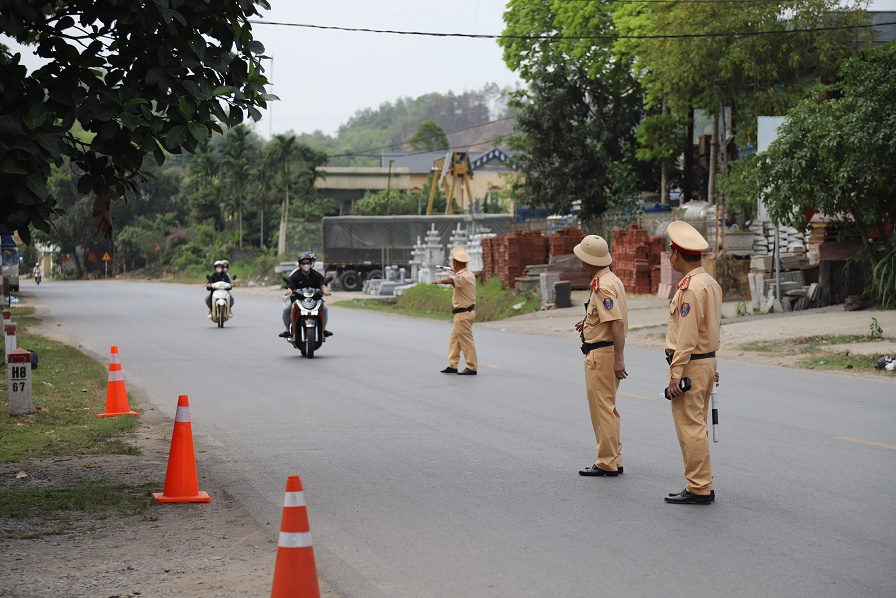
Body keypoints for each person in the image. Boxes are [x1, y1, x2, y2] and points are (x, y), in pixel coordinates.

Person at [663, 220, 722, 505]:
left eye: (669, 252)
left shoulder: (690, 289)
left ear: (676, 253)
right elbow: (710, 329)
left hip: (691, 363)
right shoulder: (709, 283)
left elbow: (686, 336)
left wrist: (676, 371)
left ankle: (699, 486)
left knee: (690, 426)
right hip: (706, 361)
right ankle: (702, 483)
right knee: (696, 424)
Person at [573, 235, 629, 477]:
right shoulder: (610, 279)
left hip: (602, 354)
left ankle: (607, 461)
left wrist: (618, 358)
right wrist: (587, 322)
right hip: (604, 350)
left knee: (601, 408)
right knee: (609, 407)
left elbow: (616, 323)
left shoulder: (602, 285)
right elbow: (606, 317)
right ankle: (614, 457)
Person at [433, 246, 478, 375]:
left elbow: (452, 280)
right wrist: (456, 271)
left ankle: (472, 366)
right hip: (463, 314)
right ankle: (452, 365)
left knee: (466, 341)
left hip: (463, 314)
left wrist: (440, 281)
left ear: (455, 263)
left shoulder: (463, 277)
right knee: (454, 340)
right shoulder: (468, 274)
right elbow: (457, 277)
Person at [280, 252, 332, 339]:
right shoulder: (295, 275)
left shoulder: (316, 274)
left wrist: (325, 291)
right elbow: (290, 286)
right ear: (300, 264)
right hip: (298, 299)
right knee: (288, 308)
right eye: (303, 263)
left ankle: (323, 330)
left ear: (311, 263)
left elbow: (322, 285)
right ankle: (288, 331)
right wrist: (290, 291)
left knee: (325, 308)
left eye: (308, 263)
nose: (306, 265)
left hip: (314, 298)